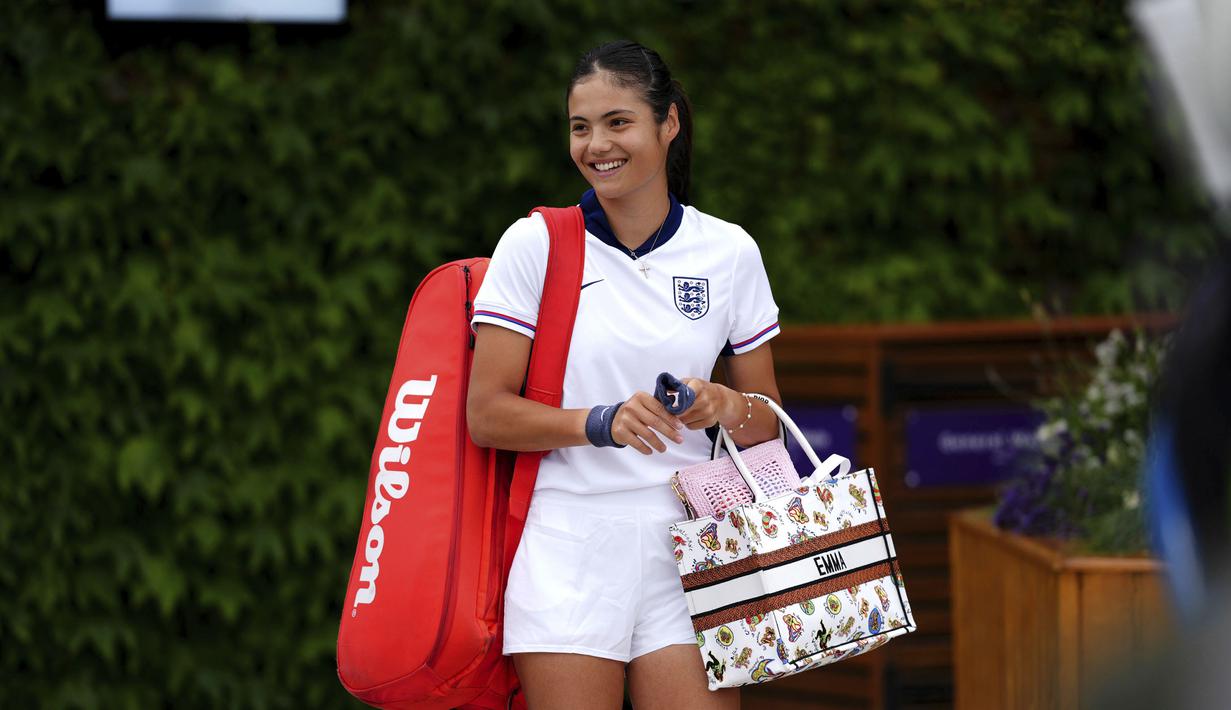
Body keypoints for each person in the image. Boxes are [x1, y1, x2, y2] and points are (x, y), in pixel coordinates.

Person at [466, 40, 784, 709]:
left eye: (617, 122)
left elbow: (767, 426)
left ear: (667, 123)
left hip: (699, 543)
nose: (595, 145)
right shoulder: (535, 244)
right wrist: (600, 421)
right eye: (580, 127)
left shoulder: (729, 251)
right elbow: (486, 414)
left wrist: (723, 402)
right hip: (566, 545)